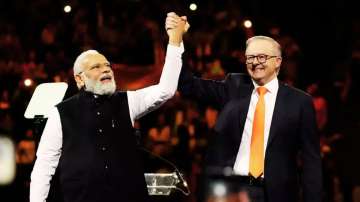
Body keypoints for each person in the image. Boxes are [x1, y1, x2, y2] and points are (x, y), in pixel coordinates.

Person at [30, 16, 189, 202]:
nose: (106, 70)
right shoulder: (61, 113)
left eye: (107, 65)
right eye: (96, 67)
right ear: (80, 79)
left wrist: (175, 40)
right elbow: (44, 166)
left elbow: (166, 90)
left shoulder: (128, 101)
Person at [166, 13, 322, 202]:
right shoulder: (233, 88)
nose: (255, 62)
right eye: (250, 57)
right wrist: (176, 40)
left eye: (262, 57)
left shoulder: (300, 102)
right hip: (233, 191)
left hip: (276, 194)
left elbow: (311, 161)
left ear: (278, 62)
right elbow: (187, 85)